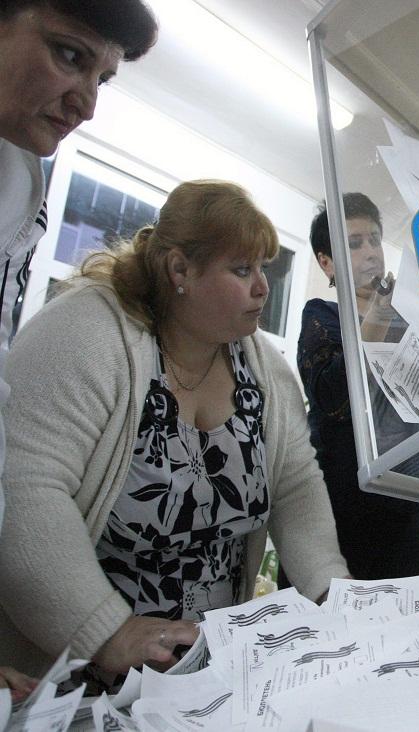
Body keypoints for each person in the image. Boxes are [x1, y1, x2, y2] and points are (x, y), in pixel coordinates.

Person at [0, 181, 349, 682]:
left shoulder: (265, 371)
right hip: (80, 665)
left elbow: (295, 489)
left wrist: (332, 592)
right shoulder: (84, 334)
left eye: (264, 269)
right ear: (180, 270)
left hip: (204, 673)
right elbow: (24, 487)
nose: (262, 288)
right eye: (242, 269)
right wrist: (109, 632)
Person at [0, 0, 158, 700]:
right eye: (68, 55)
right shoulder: (91, 327)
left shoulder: (15, 175)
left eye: (103, 78)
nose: (86, 104)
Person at [290, 192, 419, 580]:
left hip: (403, 504)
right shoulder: (323, 317)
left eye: (374, 239)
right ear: (326, 261)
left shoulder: (412, 317)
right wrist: (378, 315)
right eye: (354, 244)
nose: (371, 252)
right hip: (340, 509)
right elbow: (334, 397)